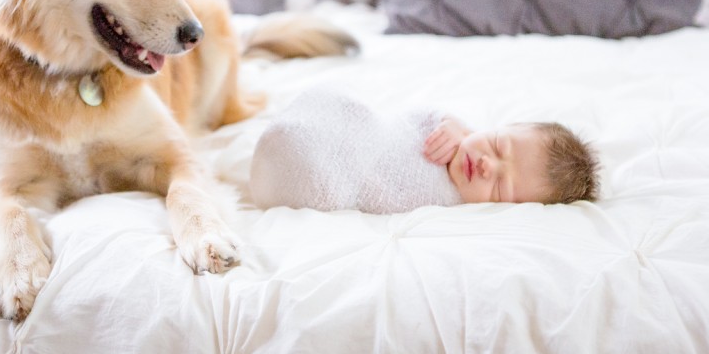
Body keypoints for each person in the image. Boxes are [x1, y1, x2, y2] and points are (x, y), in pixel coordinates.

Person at [249, 90, 599, 214]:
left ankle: (285, 158)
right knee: (350, 107)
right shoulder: (454, 133)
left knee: (326, 187)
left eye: (501, 188)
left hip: (334, 173)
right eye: (496, 145)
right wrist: (454, 125)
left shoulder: (458, 209)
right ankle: (290, 136)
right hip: (355, 128)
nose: (487, 164)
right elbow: (412, 118)